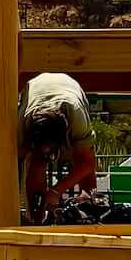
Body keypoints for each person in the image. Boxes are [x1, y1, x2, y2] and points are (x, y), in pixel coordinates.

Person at [20, 70, 101, 218]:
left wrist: (56, 191)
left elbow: (88, 163)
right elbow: (15, 165)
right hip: (35, 89)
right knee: (37, 160)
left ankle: (90, 212)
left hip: (69, 88)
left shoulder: (76, 115)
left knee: (81, 157)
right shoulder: (22, 124)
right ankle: (36, 219)